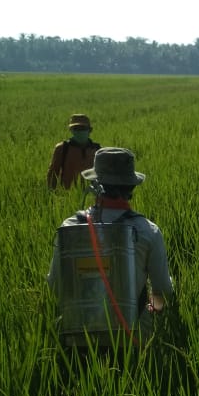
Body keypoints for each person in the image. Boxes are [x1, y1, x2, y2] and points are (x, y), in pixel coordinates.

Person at [47, 147, 175, 348]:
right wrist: (152, 306)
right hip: (131, 338)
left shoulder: (70, 227)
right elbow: (163, 291)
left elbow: (54, 286)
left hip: (77, 337)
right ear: (131, 188)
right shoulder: (147, 230)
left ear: (94, 184)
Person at [47, 113, 100, 191]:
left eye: (82, 128)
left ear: (90, 130)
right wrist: (51, 193)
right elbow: (53, 173)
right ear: (71, 130)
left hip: (92, 195)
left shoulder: (97, 149)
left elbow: (104, 175)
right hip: (67, 195)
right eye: (76, 128)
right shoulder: (62, 148)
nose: (79, 131)